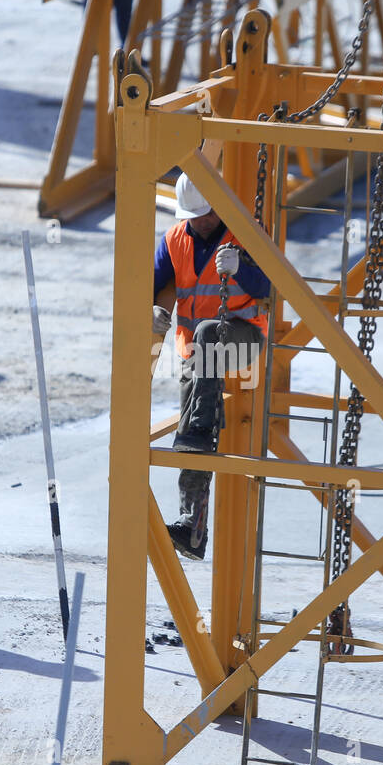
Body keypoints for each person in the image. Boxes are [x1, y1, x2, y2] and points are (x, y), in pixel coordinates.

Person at [153, 174, 269, 560]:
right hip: (198, 355)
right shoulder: (175, 240)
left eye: (207, 214)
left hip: (243, 338)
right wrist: (152, 310)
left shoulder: (243, 232)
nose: (202, 221)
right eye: (195, 216)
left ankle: (200, 428)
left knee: (196, 429)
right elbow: (151, 283)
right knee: (190, 433)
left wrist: (243, 269)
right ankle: (192, 527)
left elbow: (271, 287)